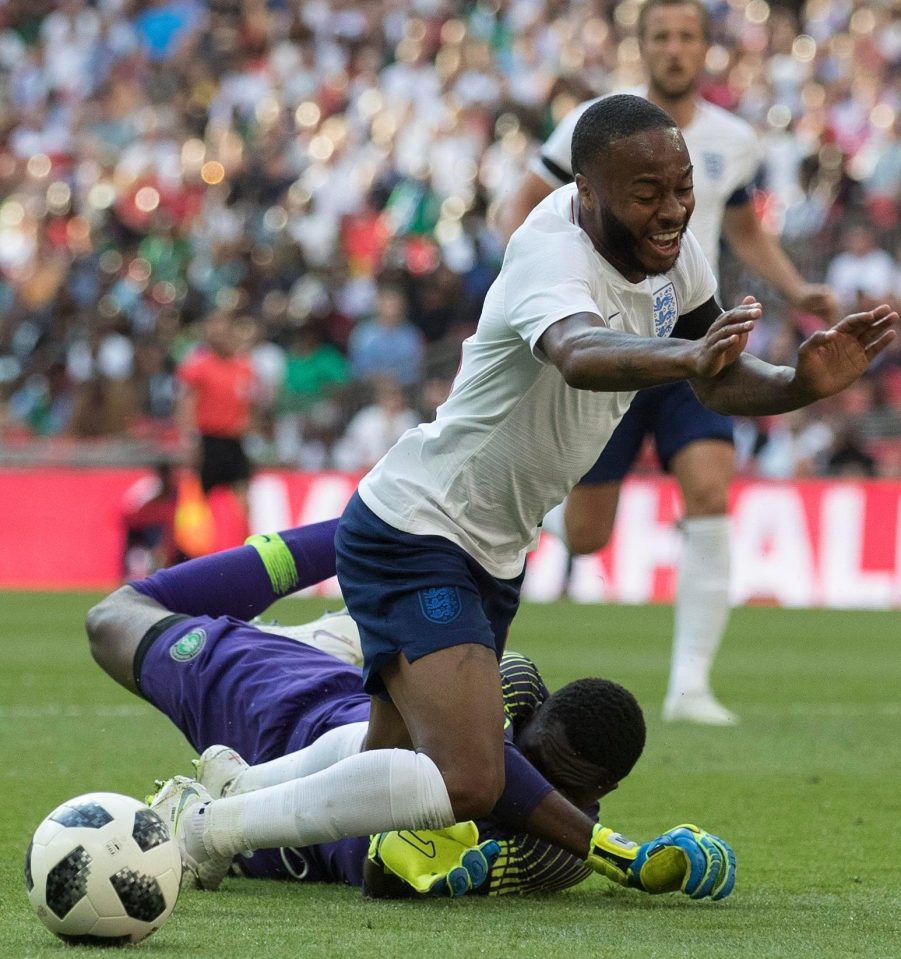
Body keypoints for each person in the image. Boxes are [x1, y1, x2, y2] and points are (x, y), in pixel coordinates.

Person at [93, 94, 893, 890]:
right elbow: (579, 352)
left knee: (391, 760)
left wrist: (796, 383)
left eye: (682, 188)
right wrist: (684, 359)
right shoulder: (551, 252)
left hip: (492, 547)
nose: (672, 210)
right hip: (419, 526)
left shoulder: (673, 253)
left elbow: (718, 379)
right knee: (465, 777)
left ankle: (244, 789)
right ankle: (211, 829)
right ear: (586, 188)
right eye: (646, 193)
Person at [496, 0, 840, 726]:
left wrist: (796, 289)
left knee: (709, 489)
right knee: (587, 533)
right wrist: (529, 286)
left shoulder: (732, 139)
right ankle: (531, 524)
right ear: (642, 45)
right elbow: (523, 203)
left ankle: (689, 683)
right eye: (662, 36)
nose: (675, 48)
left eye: (687, 36)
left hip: (692, 331)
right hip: (610, 343)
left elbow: (743, 231)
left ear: (704, 47)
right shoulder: (598, 124)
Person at [86, 519, 734, 900]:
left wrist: (395, 869)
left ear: (599, 790)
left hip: (306, 747)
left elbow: (376, 861)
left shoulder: (542, 856)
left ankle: (233, 796)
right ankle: (348, 534)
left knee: (402, 781)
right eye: (523, 748)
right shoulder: (510, 699)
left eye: (555, 774)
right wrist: (617, 853)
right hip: (294, 691)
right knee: (112, 618)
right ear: (527, 716)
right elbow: (495, 721)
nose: (506, 764)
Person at [175, 310, 258, 541]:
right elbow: (187, 404)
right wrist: (190, 439)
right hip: (208, 441)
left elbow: (249, 405)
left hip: (234, 442)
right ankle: (189, 550)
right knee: (198, 503)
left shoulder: (244, 367)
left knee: (243, 500)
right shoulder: (198, 367)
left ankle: (249, 549)